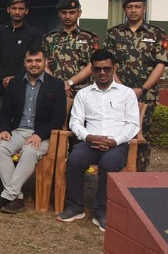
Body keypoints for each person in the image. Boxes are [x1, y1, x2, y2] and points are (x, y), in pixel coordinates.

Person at [56, 49, 140, 232]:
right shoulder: (84, 94)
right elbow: (75, 121)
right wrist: (89, 136)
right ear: (92, 70)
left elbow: (133, 124)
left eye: (107, 69)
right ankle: (75, 207)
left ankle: (102, 211)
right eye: (98, 69)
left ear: (114, 69)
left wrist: (114, 141)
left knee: (109, 164)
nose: (103, 73)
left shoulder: (126, 94)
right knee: (75, 160)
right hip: (90, 141)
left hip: (116, 144)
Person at [0, 47, 65, 214]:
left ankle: (7, 196)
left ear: (45, 62)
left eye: (38, 61)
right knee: (0, 147)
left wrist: (39, 135)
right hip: (18, 131)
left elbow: (58, 117)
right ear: (25, 63)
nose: (34, 64)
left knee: (30, 151)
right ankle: (16, 197)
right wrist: (4, 129)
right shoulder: (15, 83)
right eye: (30, 61)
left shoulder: (55, 85)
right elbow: (5, 112)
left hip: (43, 134)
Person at [105, 0, 168, 172]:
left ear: (144, 9)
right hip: (117, 93)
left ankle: (139, 176)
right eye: (130, 6)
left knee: (142, 135)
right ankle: (117, 175)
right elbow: (109, 64)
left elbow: (161, 63)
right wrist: (122, 89)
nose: (133, 10)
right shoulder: (114, 33)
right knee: (117, 132)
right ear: (124, 9)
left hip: (146, 95)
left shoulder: (156, 33)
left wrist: (143, 89)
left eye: (137, 6)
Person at [41, 0, 98, 98]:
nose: (67, 16)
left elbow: (92, 65)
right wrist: (60, 85)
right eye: (64, 12)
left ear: (79, 13)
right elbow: (44, 65)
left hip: (84, 91)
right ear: (59, 14)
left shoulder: (89, 37)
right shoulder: (48, 38)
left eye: (72, 12)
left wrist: (69, 83)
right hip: (55, 90)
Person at [0, 0, 42, 93]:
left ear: (26, 11)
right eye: (14, 8)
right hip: (1, 87)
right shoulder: (0, 30)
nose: (17, 12)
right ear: (8, 9)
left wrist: (16, 79)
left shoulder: (33, 33)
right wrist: (4, 78)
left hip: (25, 85)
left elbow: (34, 59)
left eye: (21, 9)